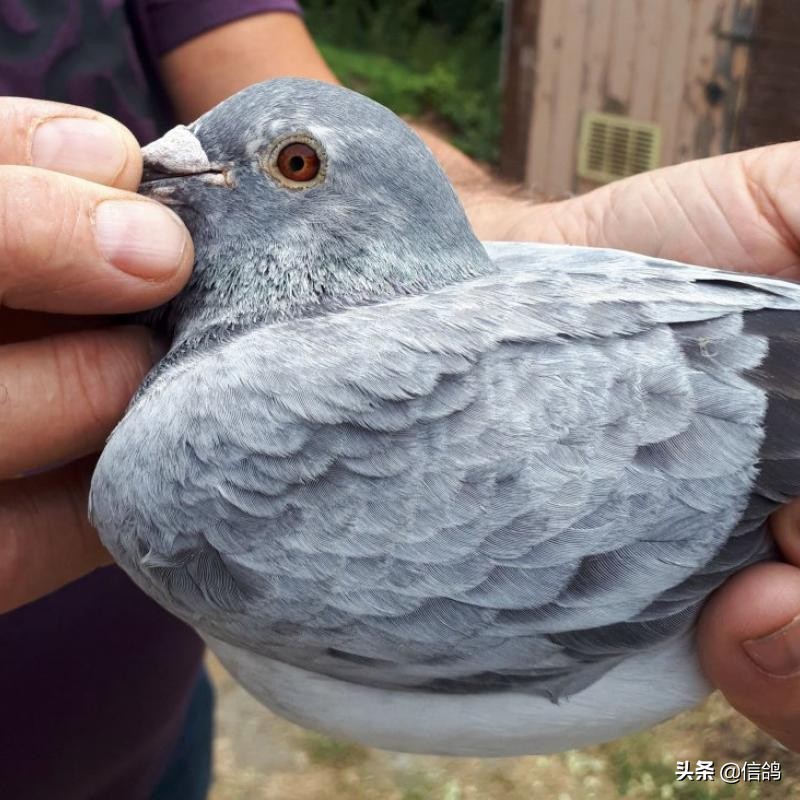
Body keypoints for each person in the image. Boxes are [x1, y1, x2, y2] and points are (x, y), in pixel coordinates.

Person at [2, 3, 800, 798]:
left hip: (144, 741)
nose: (161, 163)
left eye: (295, 165)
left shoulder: (204, 442)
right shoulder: (200, 439)